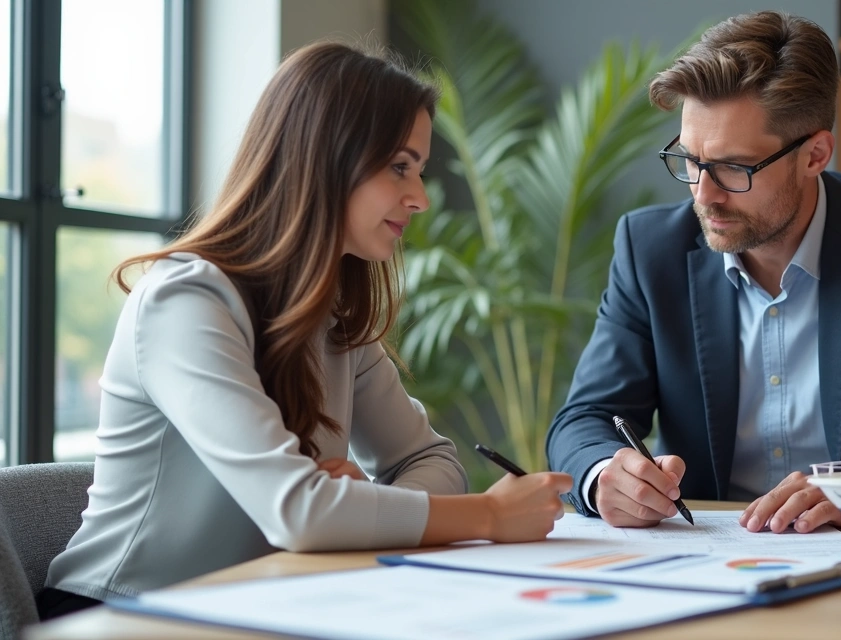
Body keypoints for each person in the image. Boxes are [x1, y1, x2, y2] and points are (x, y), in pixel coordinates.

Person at [38, 41, 571, 620]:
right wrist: (487, 516)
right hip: (121, 617)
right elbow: (300, 513)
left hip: (261, 606)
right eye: (399, 167)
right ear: (325, 159)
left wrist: (356, 506)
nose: (418, 198)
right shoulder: (184, 302)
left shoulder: (335, 314)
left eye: (417, 170)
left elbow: (432, 459)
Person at [546, 11, 841, 533]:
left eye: (733, 168)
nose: (703, 193)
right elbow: (582, 421)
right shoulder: (650, 250)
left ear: (815, 154)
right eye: (690, 160)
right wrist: (606, 475)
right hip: (702, 560)